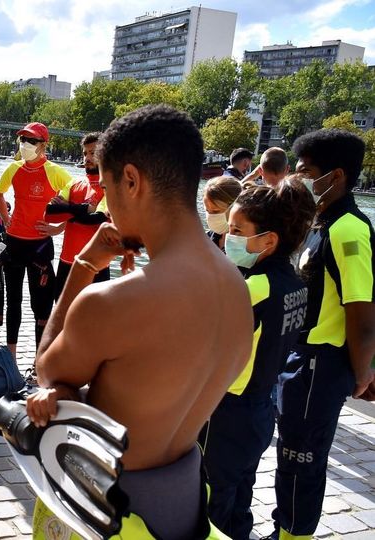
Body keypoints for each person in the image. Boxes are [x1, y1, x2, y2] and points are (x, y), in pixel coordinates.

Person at [27, 105, 253, 538]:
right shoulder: (237, 290)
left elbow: (47, 371)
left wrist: (83, 266)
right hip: (182, 502)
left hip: (106, 506)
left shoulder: (113, 301)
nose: (107, 207)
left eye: (108, 189)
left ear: (131, 180)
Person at [268, 129, 375, 540]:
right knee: (288, 453)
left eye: (307, 171)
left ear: (337, 175)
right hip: (299, 360)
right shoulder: (321, 221)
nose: (300, 179)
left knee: (303, 459)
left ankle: (295, 534)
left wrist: (362, 372)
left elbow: (362, 309)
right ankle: (283, 527)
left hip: (322, 364)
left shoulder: (349, 230)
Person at [199, 179, 315, 539]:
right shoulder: (296, 284)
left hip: (226, 413)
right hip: (261, 409)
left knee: (210, 500)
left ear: (268, 240)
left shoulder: (251, 288)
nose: (227, 237)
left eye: (236, 230)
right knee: (240, 495)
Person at [0, 121, 70, 360]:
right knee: (13, 301)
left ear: (43, 145)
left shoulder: (54, 171)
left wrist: (58, 228)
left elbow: (77, 196)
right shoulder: (14, 169)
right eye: (23, 140)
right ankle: (11, 356)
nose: (25, 145)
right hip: (14, 242)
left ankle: (40, 361)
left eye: (32, 141)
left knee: (42, 306)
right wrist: (6, 218)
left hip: (40, 247)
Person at [41, 132, 110, 293]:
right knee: (61, 314)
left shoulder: (111, 187)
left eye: (93, 153)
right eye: (85, 153)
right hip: (67, 261)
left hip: (96, 265)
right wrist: (83, 208)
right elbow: (50, 213)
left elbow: (95, 219)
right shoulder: (74, 183)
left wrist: (68, 208)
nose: (87, 157)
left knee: (93, 317)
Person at [203, 176, 243, 252]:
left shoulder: (247, 244)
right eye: (207, 210)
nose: (210, 217)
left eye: (216, 211)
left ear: (234, 208)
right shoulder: (208, 238)